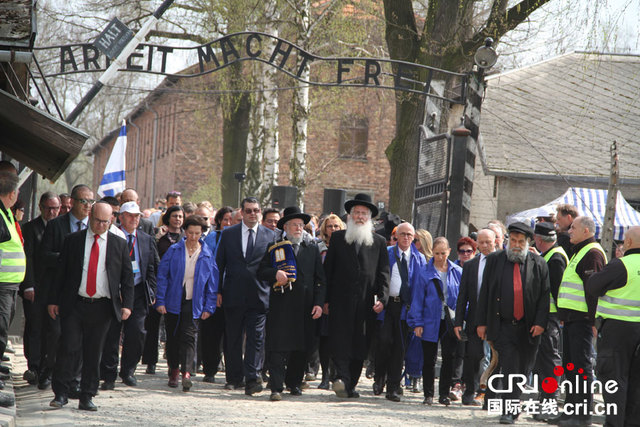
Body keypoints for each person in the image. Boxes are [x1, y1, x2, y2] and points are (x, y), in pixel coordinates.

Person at [47, 201, 134, 411]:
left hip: (103, 307)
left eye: (105, 222)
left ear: (111, 220)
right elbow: (61, 273)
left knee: (94, 353)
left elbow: (127, 277)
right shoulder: (73, 241)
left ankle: (87, 395)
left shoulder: (118, 243)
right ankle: (61, 393)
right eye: (97, 221)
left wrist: (127, 305)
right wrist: (53, 300)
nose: (101, 225)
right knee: (69, 347)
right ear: (90, 216)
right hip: (75, 303)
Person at [476, 222, 550, 424]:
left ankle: (514, 405)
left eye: (521, 241)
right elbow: (485, 294)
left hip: (529, 327)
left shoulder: (538, 263)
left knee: (523, 369)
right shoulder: (495, 260)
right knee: (509, 367)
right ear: (508, 241)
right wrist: (481, 323)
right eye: (513, 241)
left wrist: (541, 322)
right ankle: (508, 410)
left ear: (528, 242)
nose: (516, 245)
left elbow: (545, 296)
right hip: (503, 325)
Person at [324, 193, 390, 399]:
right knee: (341, 341)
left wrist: (383, 298)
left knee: (360, 345)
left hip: (365, 304)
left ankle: (350, 385)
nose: (360, 216)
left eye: (364, 213)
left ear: (369, 217)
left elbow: (384, 273)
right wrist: (324, 300)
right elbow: (328, 272)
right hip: (340, 301)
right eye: (356, 213)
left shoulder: (379, 242)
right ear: (350, 216)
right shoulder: (337, 238)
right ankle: (342, 379)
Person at [257, 206, 325, 401]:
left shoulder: (311, 247)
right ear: (285, 227)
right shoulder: (275, 246)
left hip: (305, 306)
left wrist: (319, 303)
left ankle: (293, 382)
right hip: (282, 306)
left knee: (301, 347)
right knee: (278, 347)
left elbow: (321, 279)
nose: (298, 228)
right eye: (294, 225)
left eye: (301, 225)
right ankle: (276, 387)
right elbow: (261, 271)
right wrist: (274, 274)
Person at [216, 197, 275, 395]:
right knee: (233, 338)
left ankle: (252, 378)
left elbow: (273, 266)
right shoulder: (229, 234)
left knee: (256, 339)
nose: (252, 214)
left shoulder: (270, 235)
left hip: (259, 295)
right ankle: (233, 378)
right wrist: (217, 291)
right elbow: (219, 264)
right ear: (241, 212)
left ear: (260, 212)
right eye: (248, 210)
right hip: (233, 294)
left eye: (256, 210)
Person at [39, 184, 94, 392]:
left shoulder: (94, 227)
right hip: (59, 290)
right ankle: (49, 370)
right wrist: (68, 259)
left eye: (91, 202)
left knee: (78, 339)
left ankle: (73, 380)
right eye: (84, 201)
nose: (88, 206)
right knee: (55, 335)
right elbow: (44, 256)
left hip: (84, 293)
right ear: (71, 202)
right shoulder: (56, 226)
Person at [99, 202, 159, 390]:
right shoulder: (111, 236)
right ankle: (109, 374)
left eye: (137, 216)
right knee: (111, 334)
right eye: (130, 215)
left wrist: (152, 291)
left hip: (138, 291)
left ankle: (128, 371)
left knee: (137, 332)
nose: (135, 219)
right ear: (121, 217)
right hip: (114, 292)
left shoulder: (146, 239)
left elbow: (152, 267)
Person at [155, 215, 217, 391]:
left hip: (194, 301)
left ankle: (186, 373)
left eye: (197, 233)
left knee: (189, 337)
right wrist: (160, 300)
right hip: (174, 299)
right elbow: (162, 276)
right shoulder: (174, 251)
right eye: (190, 233)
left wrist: (209, 306)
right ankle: (174, 370)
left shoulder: (206, 254)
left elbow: (212, 282)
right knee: (173, 336)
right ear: (185, 232)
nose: (194, 237)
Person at [554, 216, 606, 426]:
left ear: (586, 230)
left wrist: (595, 322)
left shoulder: (592, 253)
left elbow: (593, 290)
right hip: (572, 320)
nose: (569, 231)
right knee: (571, 366)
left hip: (583, 321)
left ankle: (582, 415)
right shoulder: (579, 251)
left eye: (573, 228)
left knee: (581, 367)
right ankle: (571, 411)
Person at [587, 226, 640, 427]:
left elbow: (593, 286)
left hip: (617, 332)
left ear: (628, 243)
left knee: (615, 380)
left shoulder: (621, 265)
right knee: (637, 382)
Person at [373, 222, 425, 402]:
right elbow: (377, 278)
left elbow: (419, 288)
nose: (405, 238)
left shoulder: (419, 259)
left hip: (405, 308)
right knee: (384, 342)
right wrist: (378, 300)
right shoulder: (387, 253)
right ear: (395, 237)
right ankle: (380, 376)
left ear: (414, 238)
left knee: (399, 348)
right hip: (387, 306)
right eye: (402, 234)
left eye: (409, 235)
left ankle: (393, 387)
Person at [408, 237, 461, 406]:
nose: (440, 257)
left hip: (450, 321)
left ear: (449, 251)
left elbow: (463, 298)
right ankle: (428, 394)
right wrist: (417, 323)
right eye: (437, 253)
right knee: (429, 358)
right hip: (430, 319)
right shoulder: (424, 273)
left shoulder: (457, 271)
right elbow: (417, 299)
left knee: (449, 357)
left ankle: (444, 393)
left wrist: (461, 319)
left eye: (443, 253)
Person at [20, 191, 60, 386]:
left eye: (56, 208)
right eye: (48, 208)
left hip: (54, 289)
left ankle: (47, 367)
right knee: (35, 327)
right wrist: (28, 285)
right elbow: (27, 258)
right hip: (36, 287)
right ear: (41, 208)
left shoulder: (62, 228)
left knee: (52, 330)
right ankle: (34, 367)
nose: (52, 212)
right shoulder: (30, 228)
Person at [454, 227, 496, 406]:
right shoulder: (471, 265)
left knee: (495, 359)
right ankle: (469, 392)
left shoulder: (503, 262)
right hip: (473, 319)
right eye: (482, 242)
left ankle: (490, 396)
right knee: (472, 356)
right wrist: (458, 322)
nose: (485, 245)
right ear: (477, 243)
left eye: (488, 242)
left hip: (496, 318)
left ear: (495, 242)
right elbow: (462, 295)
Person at [531, 221, 567, 421]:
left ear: (538, 239)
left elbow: (556, 289)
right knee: (543, 362)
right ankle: (545, 400)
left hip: (550, 317)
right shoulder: (550, 255)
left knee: (549, 360)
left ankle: (550, 402)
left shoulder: (555, 258)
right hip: (545, 316)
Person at [142, 205, 185, 375]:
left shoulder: (185, 237)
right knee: (152, 325)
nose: (178, 219)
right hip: (160, 284)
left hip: (177, 286)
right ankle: (150, 361)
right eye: (175, 216)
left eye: (181, 216)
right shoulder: (159, 236)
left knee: (175, 326)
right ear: (168, 218)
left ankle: (175, 362)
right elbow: (153, 258)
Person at [200, 205, 234, 383]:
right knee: (212, 332)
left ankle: (231, 370)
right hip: (214, 290)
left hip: (233, 291)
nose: (228, 223)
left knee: (231, 334)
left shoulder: (237, 237)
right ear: (219, 221)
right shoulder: (213, 237)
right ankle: (210, 369)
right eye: (225, 219)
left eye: (231, 220)